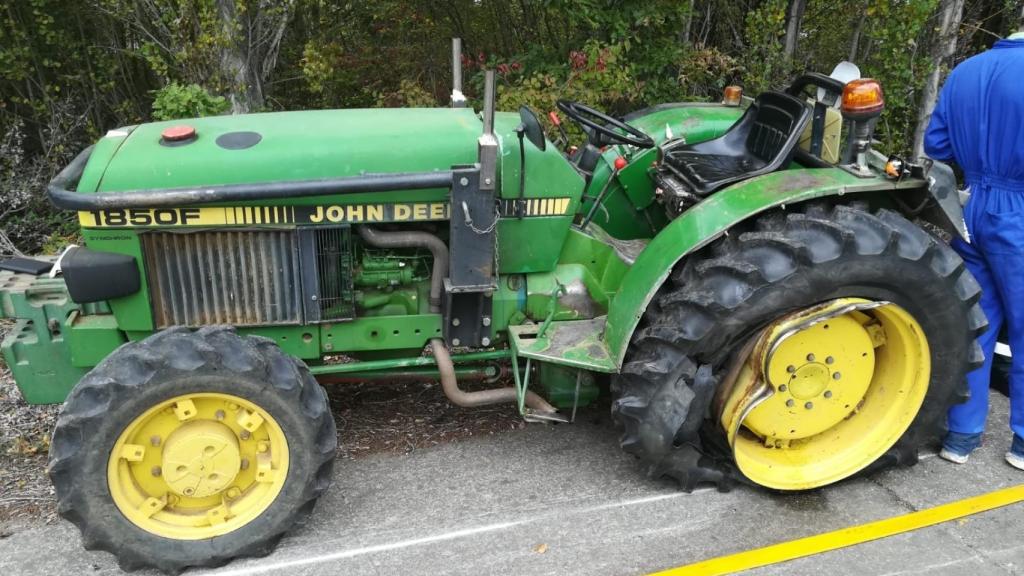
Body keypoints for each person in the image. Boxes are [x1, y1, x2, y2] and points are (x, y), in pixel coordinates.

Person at [924, 27, 1024, 470]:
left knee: (976, 324)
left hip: (971, 208)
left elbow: (937, 145)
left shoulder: (965, 70)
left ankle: (961, 436)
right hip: (1019, 207)